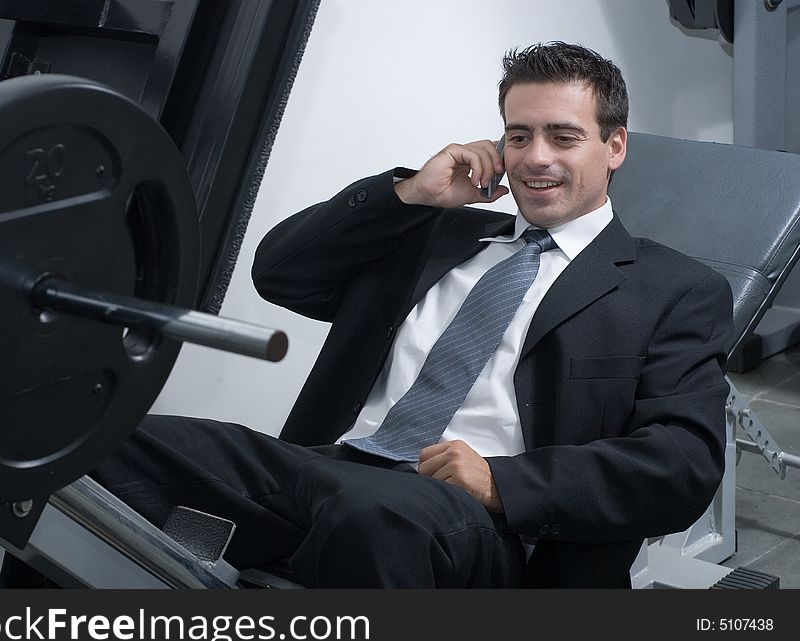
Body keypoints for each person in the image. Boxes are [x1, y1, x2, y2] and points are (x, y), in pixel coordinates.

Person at [77, 42, 734, 589]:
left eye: (563, 136)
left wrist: (505, 481)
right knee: (97, 443)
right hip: (327, 466)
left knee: (373, 515)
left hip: (488, 523)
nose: (536, 157)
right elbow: (280, 270)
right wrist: (410, 195)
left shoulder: (673, 288)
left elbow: (681, 463)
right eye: (518, 135)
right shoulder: (435, 234)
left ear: (614, 146)